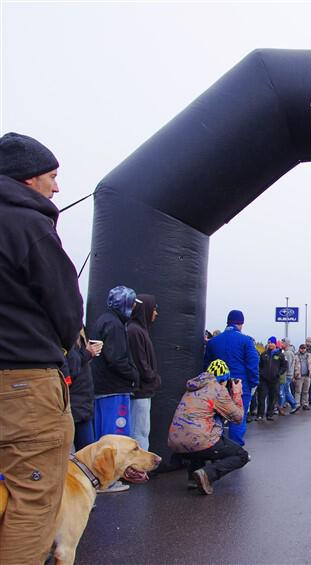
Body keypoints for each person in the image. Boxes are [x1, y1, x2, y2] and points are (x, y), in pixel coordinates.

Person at [0, 132, 84, 564]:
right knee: (32, 499)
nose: (57, 187)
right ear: (29, 179)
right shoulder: (29, 225)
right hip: (25, 384)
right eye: (52, 176)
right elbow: (67, 308)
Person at [167, 360, 250, 495]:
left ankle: (193, 478)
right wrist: (237, 394)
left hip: (175, 443)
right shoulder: (217, 389)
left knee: (199, 432)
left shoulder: (193, 388)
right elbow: (238, 418)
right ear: (224, 379)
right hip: (198, 440)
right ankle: (206, 474)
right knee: (241, 455)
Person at [91, 286, 140, 441]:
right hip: (114, 390)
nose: (133, 307)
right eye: (132, 303)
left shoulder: (103, 320)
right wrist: (134, 375)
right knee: (116, 437)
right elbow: (116, 359)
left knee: (102, 436)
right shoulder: (114, 325)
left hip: (101, 389)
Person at [203, 309, 259, 446]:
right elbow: (253, 364)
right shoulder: (246, 341)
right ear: (241, 323)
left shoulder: (213, 342)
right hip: (239, 386)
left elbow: (206, 366)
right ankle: (235, 449)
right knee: (238, 418)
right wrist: (253, 384)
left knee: (217, 418)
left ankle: (217, 448)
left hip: (217, 386)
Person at [127, 294, 161, 451]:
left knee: (141, 431)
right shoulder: (135, 331)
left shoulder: (139, 330)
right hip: (140, 391)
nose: (156, 313)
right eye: (154, 309)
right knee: (138, 432)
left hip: (144, 390)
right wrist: (153, 378)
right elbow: (140, 363)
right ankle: (139, 470)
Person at [66, 331, 102, 451]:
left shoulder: (79, 333)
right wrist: (88, 353)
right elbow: (71, 369)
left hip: (83, 405)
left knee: (87, 453)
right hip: (74, 405)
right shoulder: (67, 336)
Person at [258, 337, 286, 421]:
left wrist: (279, 373)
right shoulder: (264, 354)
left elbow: (284, 366)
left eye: (272, 343)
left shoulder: (280, 355)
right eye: (269, 343)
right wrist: (261, 373)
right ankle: (260, 415)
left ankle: (269, 414)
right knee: (262, 397)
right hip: (264, 380)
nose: (270, 344)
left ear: (275, 344)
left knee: (272, 398)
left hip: (274, 380)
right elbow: (260, 366)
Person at [278, 339, 299, 415]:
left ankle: (280, 407)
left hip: (286, 376)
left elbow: (287, 365)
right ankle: (294, 404)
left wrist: (283, 374)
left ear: (286, 344)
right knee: (286, 391)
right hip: (287, 375)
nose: (281, 344)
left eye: (282, 343)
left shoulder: (288, 353)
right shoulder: (287, 352)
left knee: (282, 392)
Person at [292, 343, 311, 411]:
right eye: (301, 348)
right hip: (299, 376)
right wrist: (294, 376)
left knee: (306, 391)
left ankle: (305, 404)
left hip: (307, 376)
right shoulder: (296, 356)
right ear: (299, 349)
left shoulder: (309, 356)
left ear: (306, 349)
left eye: (304, 348)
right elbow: (293, 366)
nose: (303, 350)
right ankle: (297, 404)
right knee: (298, 391)